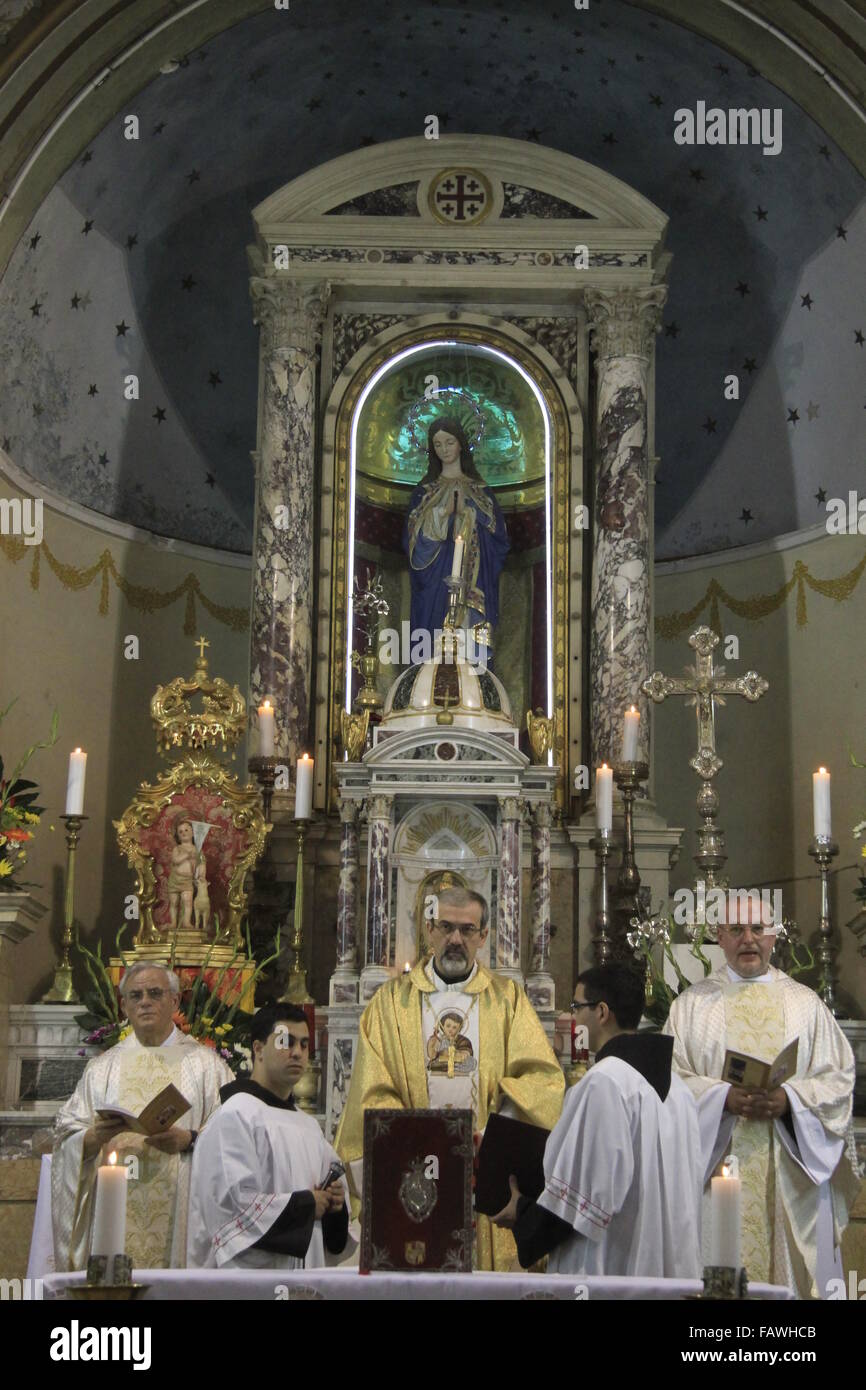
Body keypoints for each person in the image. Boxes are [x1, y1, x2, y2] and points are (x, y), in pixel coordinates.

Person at [335, 884, 564, 1270]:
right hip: (414, 1172)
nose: (456, 939)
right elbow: (371, 1093)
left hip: (485, 1171)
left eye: (467, 930)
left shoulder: (508, 1000)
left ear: (484, 936)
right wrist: (423, 1141)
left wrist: (492, 1140)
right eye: (446, 927)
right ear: (429, 930)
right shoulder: (390, 1003)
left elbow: (542, 1080)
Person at [664, 893, 861, 1298]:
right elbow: (668, 1081)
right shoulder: (690, 1007)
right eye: (736, 930)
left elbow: (838, 1078)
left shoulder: (805, 1006)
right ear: (719, 937)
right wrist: (721, 1099)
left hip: (788, 1174)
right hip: (717, 1168)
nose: (748, 939)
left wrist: (791, 1101)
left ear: (774, 936)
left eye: (758, 929)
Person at [494, 964, 703, 1279]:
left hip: (616, 1271)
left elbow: (581, 1202)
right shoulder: (680, 1089)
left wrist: (522, 1213)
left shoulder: (604, 1083)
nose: (574, 1017)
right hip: (670, 1271)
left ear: (602, 1012)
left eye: (577, 1006)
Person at [52, 962, 231, 1270]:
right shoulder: (103, 1068)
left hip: (184, 1210)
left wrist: (190, 1139)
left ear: (175, 1001)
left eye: (154, 993)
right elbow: (66, 1133)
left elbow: (232, 1134)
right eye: (135, 995)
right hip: (114, 1211)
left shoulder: (206, 1066)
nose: (144, 1001)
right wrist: (93, 1137)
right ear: (124, 1006)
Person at [187, 1004, 350, 1269]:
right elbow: (230, 1208)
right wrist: (307, 1205)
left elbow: (333, 1216)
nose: (297, 1052)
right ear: (258, 1049)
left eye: (305, 1044)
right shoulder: (235, 1116)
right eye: (286, 1042)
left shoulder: (309, 1127)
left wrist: (335, 1204)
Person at [403, 416, 510, 641]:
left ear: (461, 443)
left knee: (468, 645)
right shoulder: (424, 493)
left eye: (450, 442)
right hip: (435, 582)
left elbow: (498, 538)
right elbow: (413, 546)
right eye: (438, 444)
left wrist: (468, 512)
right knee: (432, 640)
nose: (444, 449)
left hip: (473, 579)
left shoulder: (481, 492)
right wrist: (442, 514)